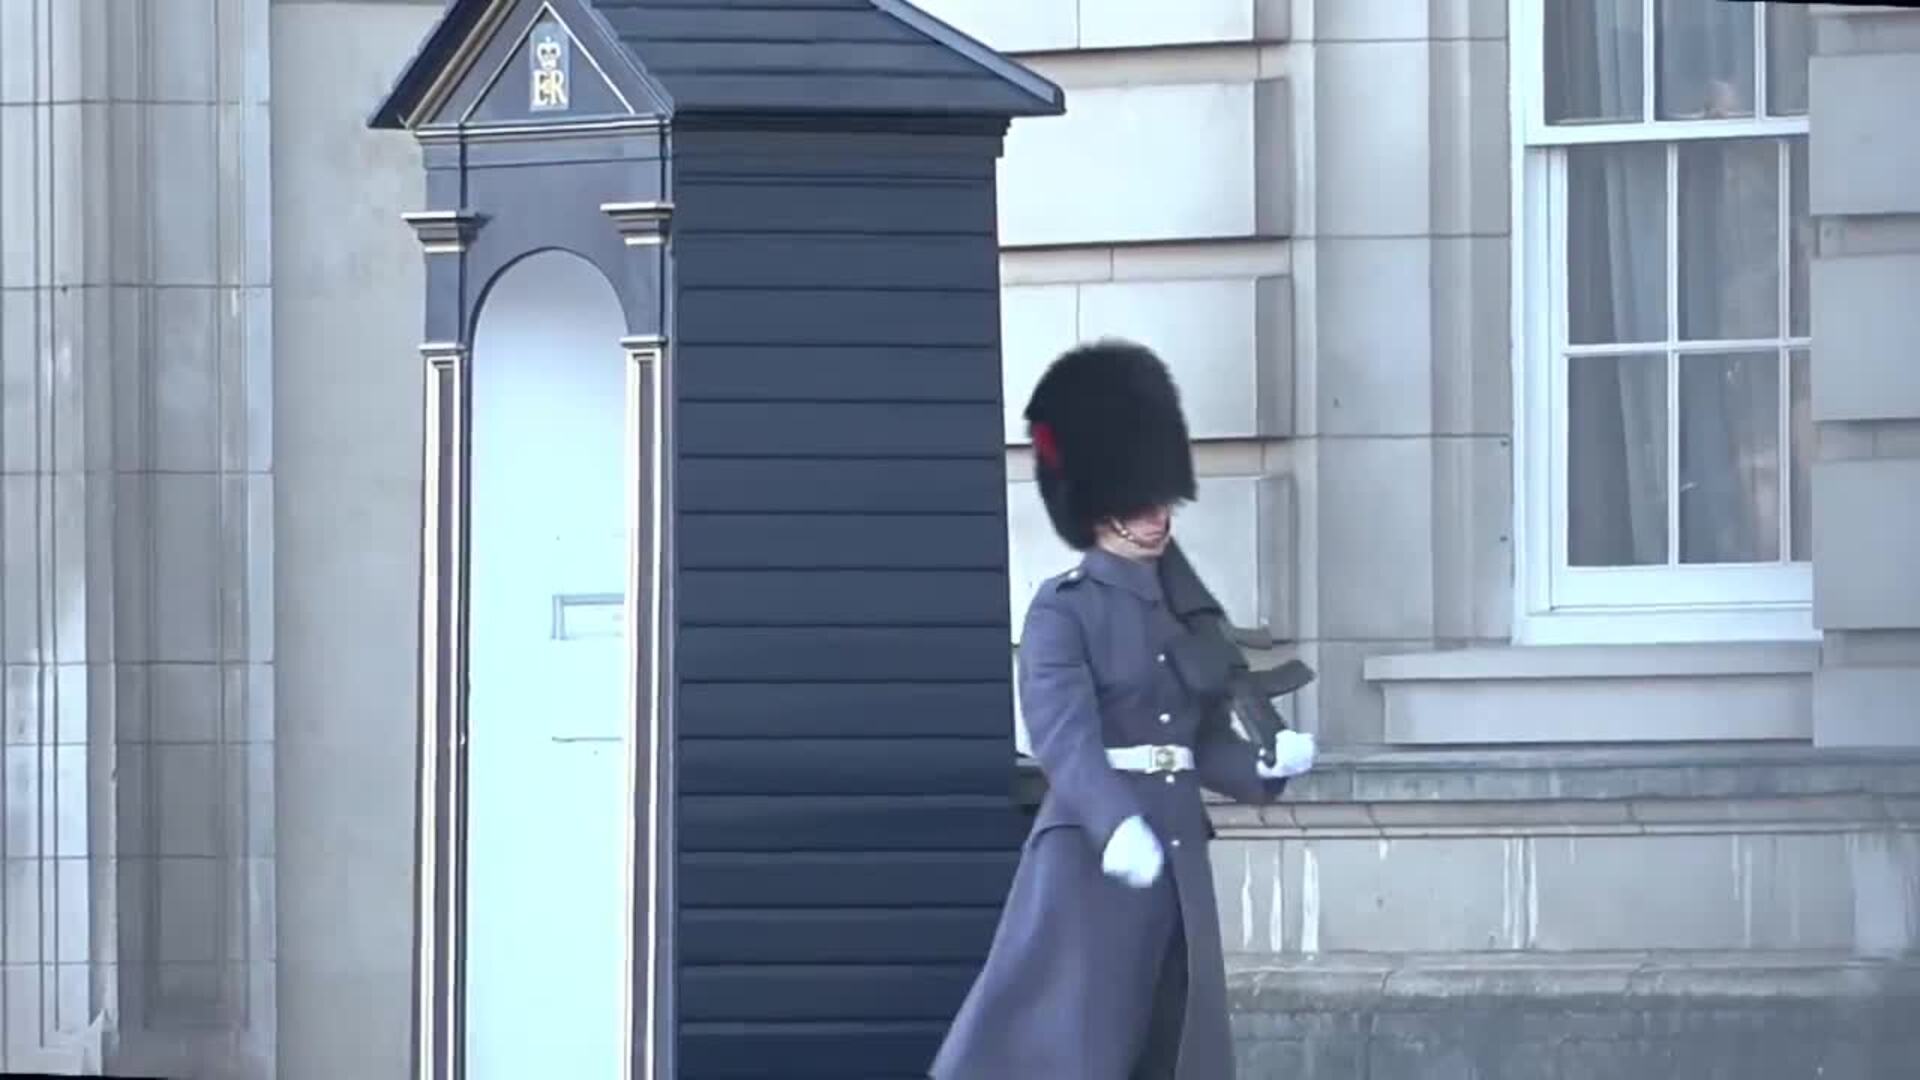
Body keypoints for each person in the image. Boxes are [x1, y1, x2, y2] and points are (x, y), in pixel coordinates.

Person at [930, 339, 1318, 1080]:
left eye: (1162, 500)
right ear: (1101, 509)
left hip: (1175, 853)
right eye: (1142, 503)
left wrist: (1266, 768)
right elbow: (1062, 736)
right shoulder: (1063, 610)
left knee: (1168, 1037)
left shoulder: (1184, 610)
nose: (1158, 517)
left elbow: (1199, 739)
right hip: (1091, 858)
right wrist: (1114, 828)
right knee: (1075, 1043)